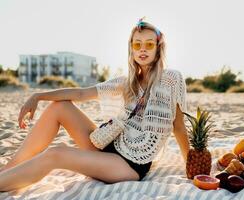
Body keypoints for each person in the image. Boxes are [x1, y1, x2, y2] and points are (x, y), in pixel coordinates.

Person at [0, 18, 190, 192]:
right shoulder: (127, 82)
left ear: (158, 48)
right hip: (108, 144)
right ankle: (7, 172)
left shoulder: (172, 79)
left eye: (149, 44)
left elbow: (179, 128)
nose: (143, 49)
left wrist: (190, 166)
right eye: (137, 44)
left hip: (128, 165)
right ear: (131, 49)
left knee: (55, 154)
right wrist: (38, 96)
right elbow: (82, 93)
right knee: (60, 107)